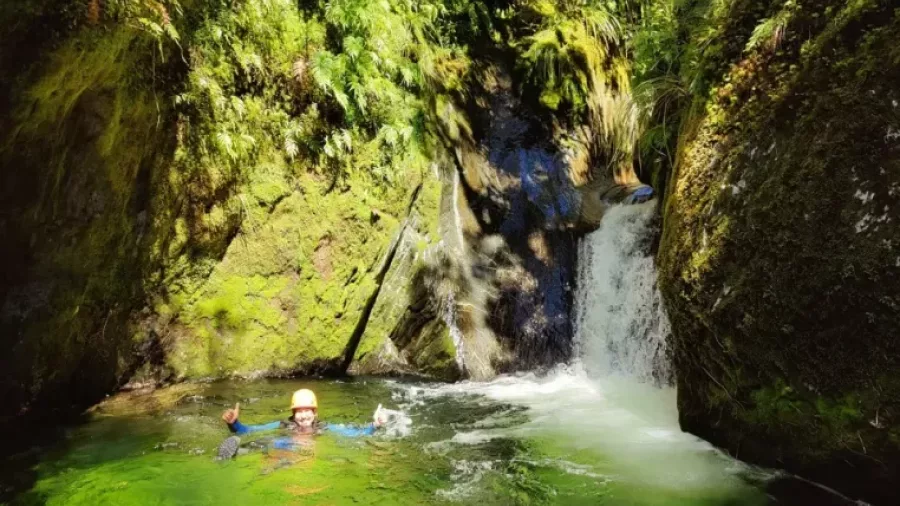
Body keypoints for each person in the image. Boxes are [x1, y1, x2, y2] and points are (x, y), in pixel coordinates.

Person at [220, 388, 387, 438]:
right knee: (272, 443)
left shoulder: (323, 427)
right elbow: (251, 431)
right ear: (293, 413)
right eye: (299, 411)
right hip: (285, 445)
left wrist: (375, 425)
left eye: (307, 410)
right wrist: (234, 423)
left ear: (315, 412)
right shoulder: (284, 425)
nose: (303, 415)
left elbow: (352, 434)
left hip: (305, 453)